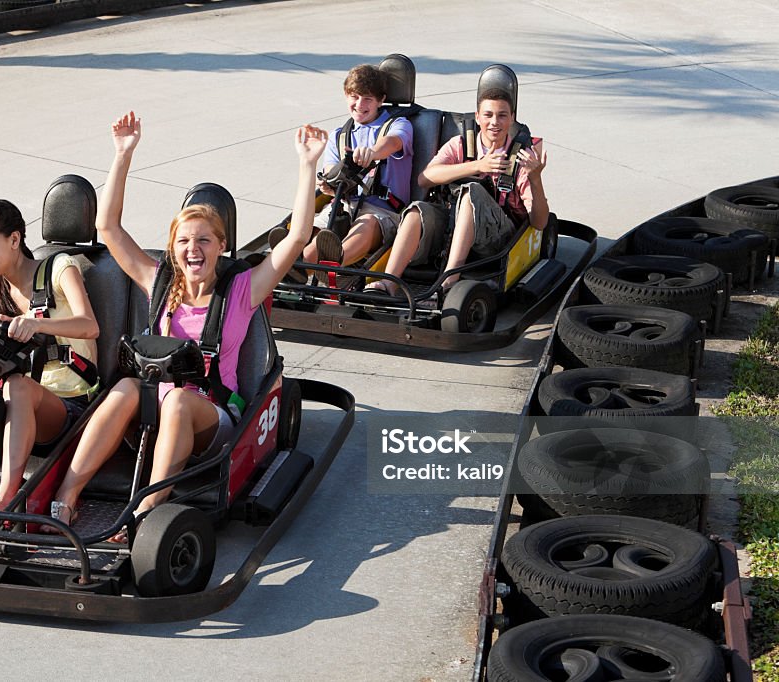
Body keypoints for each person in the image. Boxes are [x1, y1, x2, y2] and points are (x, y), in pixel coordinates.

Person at [47, 112, 327, 536]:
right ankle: (63, 501)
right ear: (173, 249)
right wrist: (123, 154)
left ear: (221, 246)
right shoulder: (157, 281)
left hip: (210, 419)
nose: (192, 249)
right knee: (124, 387)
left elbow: (299, 234)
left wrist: (307, 166)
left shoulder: (243, 289)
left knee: (178, 401)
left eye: (203, 241)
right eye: (183, 241)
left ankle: (146, 510)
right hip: (153, 414)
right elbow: (108, 227)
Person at [0, 199, 99, 514]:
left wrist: (38, 322)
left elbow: (90, 326)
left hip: (72, 407)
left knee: (16, 387)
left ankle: (5, 500)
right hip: (18, 409)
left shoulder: (59, 268)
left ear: (14, 240)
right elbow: (1, 372)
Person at [365, 87, 549, 294]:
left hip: (497, 238)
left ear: (511, 119)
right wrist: (478, 166)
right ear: (478, 117)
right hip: (452, 229)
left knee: (472, 192)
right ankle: (390, 282)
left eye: (502, 115)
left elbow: (540, 222)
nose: (494, 122)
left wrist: (535, 179)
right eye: (488, 115)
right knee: (417, 210)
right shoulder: (460, 144)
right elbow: (425, 179)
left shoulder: (521, 158)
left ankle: (448, 282)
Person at [284, 63, 412, 272]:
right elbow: (331, 172)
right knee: (324, 226)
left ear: (381, 100)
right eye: (354, 96)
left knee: (367, 222)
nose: (359, 104)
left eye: (368, 99)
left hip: (382, 211)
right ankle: (296, 267)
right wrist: (326, 183)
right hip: (344, 206)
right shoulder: (339, 135)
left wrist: (372, 153)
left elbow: (392, 143)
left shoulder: (398, 125)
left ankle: (334, 267)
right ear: (346, 95)